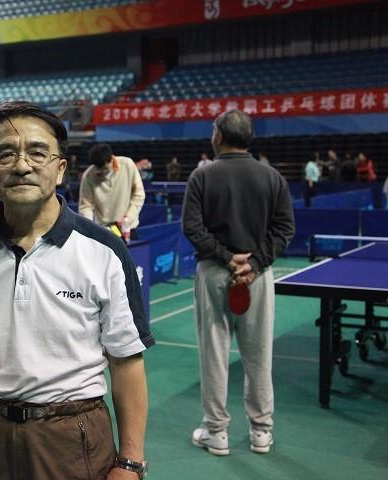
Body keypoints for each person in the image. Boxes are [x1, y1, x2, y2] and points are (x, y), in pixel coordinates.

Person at [0, 101, 153, 480]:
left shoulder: (105, 250)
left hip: (72, 439)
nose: (22, 166)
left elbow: (126, 362)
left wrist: (130, 462)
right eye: (5, 154)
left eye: (37, 152)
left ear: (61, 168)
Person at [182, 110, 294, 456]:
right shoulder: (272, 177)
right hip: (257, 278)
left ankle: (216, 433)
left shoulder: (202, 175)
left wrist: (226, 258)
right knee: (259, 356)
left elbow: (192, 228)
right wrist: (254, 264)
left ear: (218, 136)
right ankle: (261, 432)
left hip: (214, 274)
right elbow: (285, 229)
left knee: (213, 356)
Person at [78, 143, 146, 235]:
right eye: (99, 169)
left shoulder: (127, 165)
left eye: (105, 168)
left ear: (111, 159)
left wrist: (128, 218)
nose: (102, 172)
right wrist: (89, 227)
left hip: (127, 228)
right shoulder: (88, 176)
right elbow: (86, 206)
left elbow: (139, 195)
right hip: (104, 230)